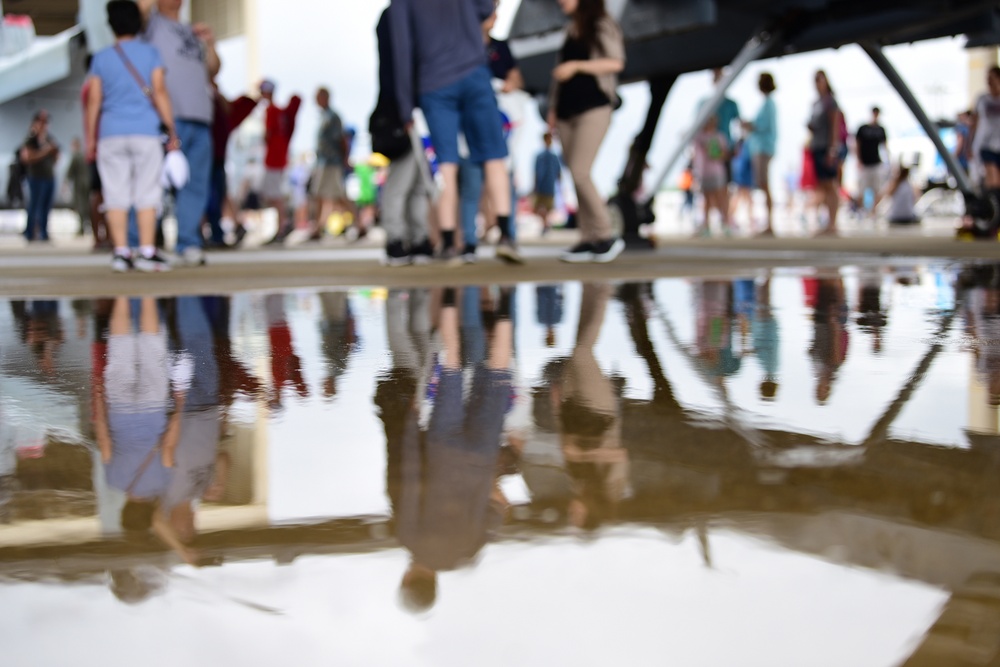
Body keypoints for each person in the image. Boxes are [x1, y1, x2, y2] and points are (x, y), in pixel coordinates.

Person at [393, 286, 513, 612]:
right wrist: (410, 428)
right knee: (452, 366)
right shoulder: (410, 539)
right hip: (442, 450)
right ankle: (447, 290)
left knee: (498, 371)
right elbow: (411, 478)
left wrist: (489, 482)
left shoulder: (467, 553)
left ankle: (509, 296)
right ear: (406, 580)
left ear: (434, 586)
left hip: (481, 457)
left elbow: (497, 512)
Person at [389, 0, 522, 265]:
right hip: (474, 72)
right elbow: (487, 7)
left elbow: (401, 50)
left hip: (435, 82)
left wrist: (405, 106)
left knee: (446, 165)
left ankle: (450, 243)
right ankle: (507, 235)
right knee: (494, 157)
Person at [93, 296, 196, 564]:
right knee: (120, 349)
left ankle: (148, 289)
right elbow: (104, 438)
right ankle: (123, 293)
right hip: (120, 408)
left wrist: (180, 404)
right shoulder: (113, 480)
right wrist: (98, 400)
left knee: (152, 348)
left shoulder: (163, 483)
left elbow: (169, 445)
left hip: (152, 407)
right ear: (125, 510)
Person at [86, 0, 178, 273]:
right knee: (147, 192)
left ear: (111, 24)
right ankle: (147, 251)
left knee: (115, 194)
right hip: (146, 132)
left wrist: (91, 137)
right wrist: (171, 128)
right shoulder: (150, 53)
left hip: (110, 134)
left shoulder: (101, 57)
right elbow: (159, 92)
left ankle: (121, 252)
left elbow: (94, 100)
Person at [138, 0, 220, 268]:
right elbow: (138, 9)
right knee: (154, 183)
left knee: (196, 184)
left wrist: (210, 44)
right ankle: (144, 242)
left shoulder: (191, 30)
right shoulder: (151, 25)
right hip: (167, 118)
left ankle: (188, 242)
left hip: (200, 116)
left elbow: (213, 69)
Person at [548, 0, 626, 263]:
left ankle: (606, 235)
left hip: (594, 107)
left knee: (581, 172)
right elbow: (559, 76)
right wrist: (553, 109)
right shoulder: (571, 29)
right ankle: (587, 237)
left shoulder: (601, 24)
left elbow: (616, 62)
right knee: (574, 174)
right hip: (566, 112)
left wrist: (578, 66)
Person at [457, 2, 526, 264]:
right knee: (472, 184)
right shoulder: (462, 45)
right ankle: (469, 242)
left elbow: (517, 77)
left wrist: (511, 83)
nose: (494, 16)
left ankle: (508, 235)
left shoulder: (501, 47)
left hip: (498, 118)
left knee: (502, 176)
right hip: (471, 121)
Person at [373, 7, 434, 266]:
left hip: (412, 106)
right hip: (400, 109)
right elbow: (400, 63)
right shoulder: (395, 15)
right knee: (401, 181)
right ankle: (396, 239)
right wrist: (404, 106)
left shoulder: (403, 13)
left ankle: (418, 239)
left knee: (418, 182)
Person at [206, 84, 258, 248]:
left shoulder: (220, 109)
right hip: (214, 157)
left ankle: (216, 233)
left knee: (215, 195)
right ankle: (215, 232)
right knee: (215, 195)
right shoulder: (219, 109)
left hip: (215, 157)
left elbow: (246, 103)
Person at [256, 79, 302, 245]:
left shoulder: (271, 110)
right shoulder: (279, 111)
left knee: (274, 195)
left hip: (274, 159)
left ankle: (283, 225)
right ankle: (283, 224)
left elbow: (268, 134)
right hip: (279, 157)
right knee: (273, 194)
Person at [303, 86, 349, 245]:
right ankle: (317, 227)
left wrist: (345, 159)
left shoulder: (332, 117)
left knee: (337, 195)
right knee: (319, 194)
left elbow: (342, 139)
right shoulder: (324, 116)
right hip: (323, 161)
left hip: (331, 162)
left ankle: (358, 224)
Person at [807, 70, 844, 236]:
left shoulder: (830, 102)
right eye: (815, 80)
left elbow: (835, 125)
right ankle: (827, 222)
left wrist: (832, 149)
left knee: (830, 184)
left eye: (819, 80)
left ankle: (833, 223)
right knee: (822, 184)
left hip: (826, 147)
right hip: (816, 146)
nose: (817, 83)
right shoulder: (816, 103)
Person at [743, 72, 777, 235]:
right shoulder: (767, 103)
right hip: (761, 147)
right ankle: (768, 222)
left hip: (763, 148)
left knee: (764, 183)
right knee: (763, 183)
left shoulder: (768, 104)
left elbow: (760, 125)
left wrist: (748, 125)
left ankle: (770, 223)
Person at [19, 111, 59, 243]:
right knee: (35, 205)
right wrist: (46, 151)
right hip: (36, 177)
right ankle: (30, 233)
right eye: (41, 121)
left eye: (46, 122)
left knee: (46, 206)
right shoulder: (31, 138)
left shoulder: (49, 138)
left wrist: (53, 153)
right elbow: (27, 157)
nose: (43, 125)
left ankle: (44, 232)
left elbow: (56, 157)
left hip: (49, 176)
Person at [691, 114, 730, 237]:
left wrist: (716, 153)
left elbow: (724, 154)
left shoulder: (719, 136)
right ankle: (706, 225)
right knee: (706, 199)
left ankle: (725, 223)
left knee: (720, 198)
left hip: (717, 172)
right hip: (703, 172)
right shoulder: (699, 137)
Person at [971, 66, 1000, 193]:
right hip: (986, 144)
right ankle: (993, 205)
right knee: (991, 176)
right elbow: (974, 123)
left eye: (991, 78)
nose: (989, 81)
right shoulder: (982, 99)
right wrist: (970, 144)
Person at [855, 106, 888, 214]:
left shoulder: (880, 129)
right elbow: (857, 144)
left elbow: (885, 146)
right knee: (861, 189)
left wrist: (888, 161)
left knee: (877, 189)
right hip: (864, 163)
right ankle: (861, 210)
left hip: (876, 163)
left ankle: (873, 211)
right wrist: (858, 160)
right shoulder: (863, 128)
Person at [533, 132, 562, 234]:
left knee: (547, 207)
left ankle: (545, 224)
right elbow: (536, 173)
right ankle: (545, 224)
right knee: (538, 208)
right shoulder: (539, 156)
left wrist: (560, 187)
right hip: (541, 185)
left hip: (549, 186)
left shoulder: (554, 157)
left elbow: (559, 173)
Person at [66, 138, 91, 237]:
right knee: (87, 204)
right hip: (88, 183)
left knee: (80, 205)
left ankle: (82, 227)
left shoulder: (76, 156)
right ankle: (88, 225)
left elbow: (70, 172)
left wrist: (66, 182)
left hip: (79, 184)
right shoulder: (86, 155)